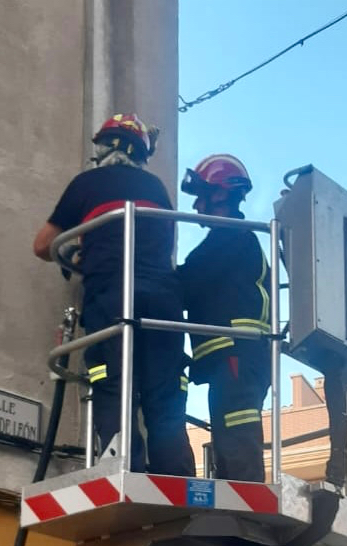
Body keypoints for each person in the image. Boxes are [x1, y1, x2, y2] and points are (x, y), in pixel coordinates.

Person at [33, 113, 194, 477]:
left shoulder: (87, 183)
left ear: (106, 147)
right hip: (164, 302)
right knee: (164, 394)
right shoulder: (157, 189)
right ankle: (177, 477)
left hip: (113, 297)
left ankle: (124, 471)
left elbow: (42, 245)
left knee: (112, 385)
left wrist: (77, 253)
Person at [178, 154, 270, 482]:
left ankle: (247, 498)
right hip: (237, 358)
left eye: (201, 196)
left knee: (237, 436)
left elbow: (186, 283)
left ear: (219, 195)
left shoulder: (229, 238)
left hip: (236, 355)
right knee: (229, 435)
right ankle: (238, 494)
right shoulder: (234, 240)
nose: (196, 206)